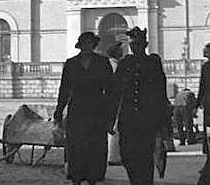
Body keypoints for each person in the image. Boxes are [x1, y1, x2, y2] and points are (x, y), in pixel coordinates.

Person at [54, 32, 116, 185]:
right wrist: (59, 110)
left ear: (94, 45)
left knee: (95, 146)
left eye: (90, 43)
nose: (88, 46)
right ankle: (76, 178)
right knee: (76, 145)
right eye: (85, 43)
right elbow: (64, 89)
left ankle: (93, 178)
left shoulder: (102, 63)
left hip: (97, 109)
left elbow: (110, 90)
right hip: (77, 110)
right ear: (80, 46)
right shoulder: (70, 64)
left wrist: (110, 115)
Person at [114, 27, 168, 185]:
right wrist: (111, 118)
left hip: (147, 117)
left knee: (145, 155)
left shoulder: (153, 62)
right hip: (128, 117)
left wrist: (162, 119)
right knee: (127, 154)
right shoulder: (125, 63)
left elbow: (160, 90)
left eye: (138, 43)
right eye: (132, 44)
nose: (135, 47)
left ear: (145, 44)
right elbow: (115, 91)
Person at [106, 42, 124, 166]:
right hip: (115, 100)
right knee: (115, 127)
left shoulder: (112, 64)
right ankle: (114, 157)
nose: (122, 52)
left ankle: (113, 155)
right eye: (120, 50)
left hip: (114, 100)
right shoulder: (114, 66)